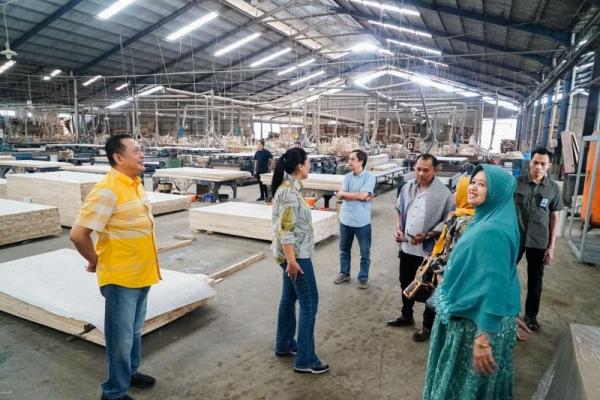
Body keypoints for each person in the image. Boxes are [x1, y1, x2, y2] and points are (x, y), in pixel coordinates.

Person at [70, 134, 160, 400]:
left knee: (132, 332)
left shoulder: (133, 184)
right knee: (119, 340)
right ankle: (113, 393)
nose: (142, 154)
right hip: (121, 278)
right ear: (118, 158)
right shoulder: (108, 189)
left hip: (141, 273)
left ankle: (130, 374)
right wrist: (95, 261)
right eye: (136, 151)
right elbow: (78, 234)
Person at [422, 164, 521, 400]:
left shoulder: (492, 231)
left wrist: (484, 338)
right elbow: (503, 274)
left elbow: (495, 285)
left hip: (473, 324)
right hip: (471, 315)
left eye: (482, 184)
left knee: (465, 387)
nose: (473, 188)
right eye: (473, 182)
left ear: (497, 192)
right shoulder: (487, 218)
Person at [271, 147, 329, 374]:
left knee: (289, 298)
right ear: (299, 166)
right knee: (310, 302)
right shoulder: (288, 193)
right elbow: (286, 230)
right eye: (308, 162)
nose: (310, 165)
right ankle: (306, 359)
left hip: (291, 255)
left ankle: (284, 344)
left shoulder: (291, 189)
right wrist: (292, 261)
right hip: (296, 257)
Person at [388, 154, 455, 342]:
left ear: (435, 170)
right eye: (418, 169)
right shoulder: (407, 187)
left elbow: (449, 220)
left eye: (426, 170)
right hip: (407, 247)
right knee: (405, 281)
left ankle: (427, 326)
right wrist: (398, 229)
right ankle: (406, 315)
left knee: (428, 287)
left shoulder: (444, 194)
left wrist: (428, 234)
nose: (421, 173)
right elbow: (399, 210)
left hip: (429, 252)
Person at [409, 176, 475, 342]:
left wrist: (437, 265)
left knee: (439, 299)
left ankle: (434, 331)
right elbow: (446, 241)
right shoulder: (458, 214)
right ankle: (428, 327)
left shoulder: (466, 221)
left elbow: (456, 252)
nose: (454, 193)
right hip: (443, 265)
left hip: (449, 272)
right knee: (434, 297)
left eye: (457, 190)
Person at [514, 147, 563, 332]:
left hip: (539, 240)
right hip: (516, 238)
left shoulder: (553, 189)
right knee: (506, 273)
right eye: (535, 162)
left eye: (543, 164)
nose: (538, 167)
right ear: (530, 162)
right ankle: (506, 310)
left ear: (549, 166)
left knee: (535, 279)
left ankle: (531, 316)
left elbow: (554, 217)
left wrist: (551, 246)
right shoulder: (517, 183)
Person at [334, 149, 376, 289]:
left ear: (361, 161)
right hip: (345, 219)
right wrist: (361, 196)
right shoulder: (347, 177)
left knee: (365, 252)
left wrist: (347, 195)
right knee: (344, 249)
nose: (349, 161)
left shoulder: (370, 177)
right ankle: (344, 273)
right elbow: (355, 196)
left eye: (352, 159)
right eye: (349, 159)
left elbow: (362, 196)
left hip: (362, 222)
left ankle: (363, 278)